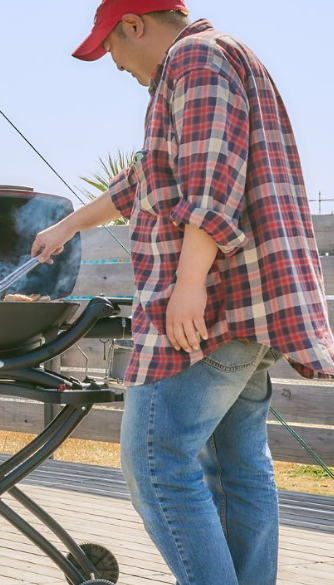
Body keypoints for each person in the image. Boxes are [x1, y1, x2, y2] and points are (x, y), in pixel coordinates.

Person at [31, 2, 334, 583]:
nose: (117, 66)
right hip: (251, 312)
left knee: (155, 461)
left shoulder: (194, 58)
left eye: (112, 49)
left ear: (134, 24)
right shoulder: (219, 59)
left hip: (213, 308)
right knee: (240, 469)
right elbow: (149, 175)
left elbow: (212, 179)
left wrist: (190, 283)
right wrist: (67, 226)